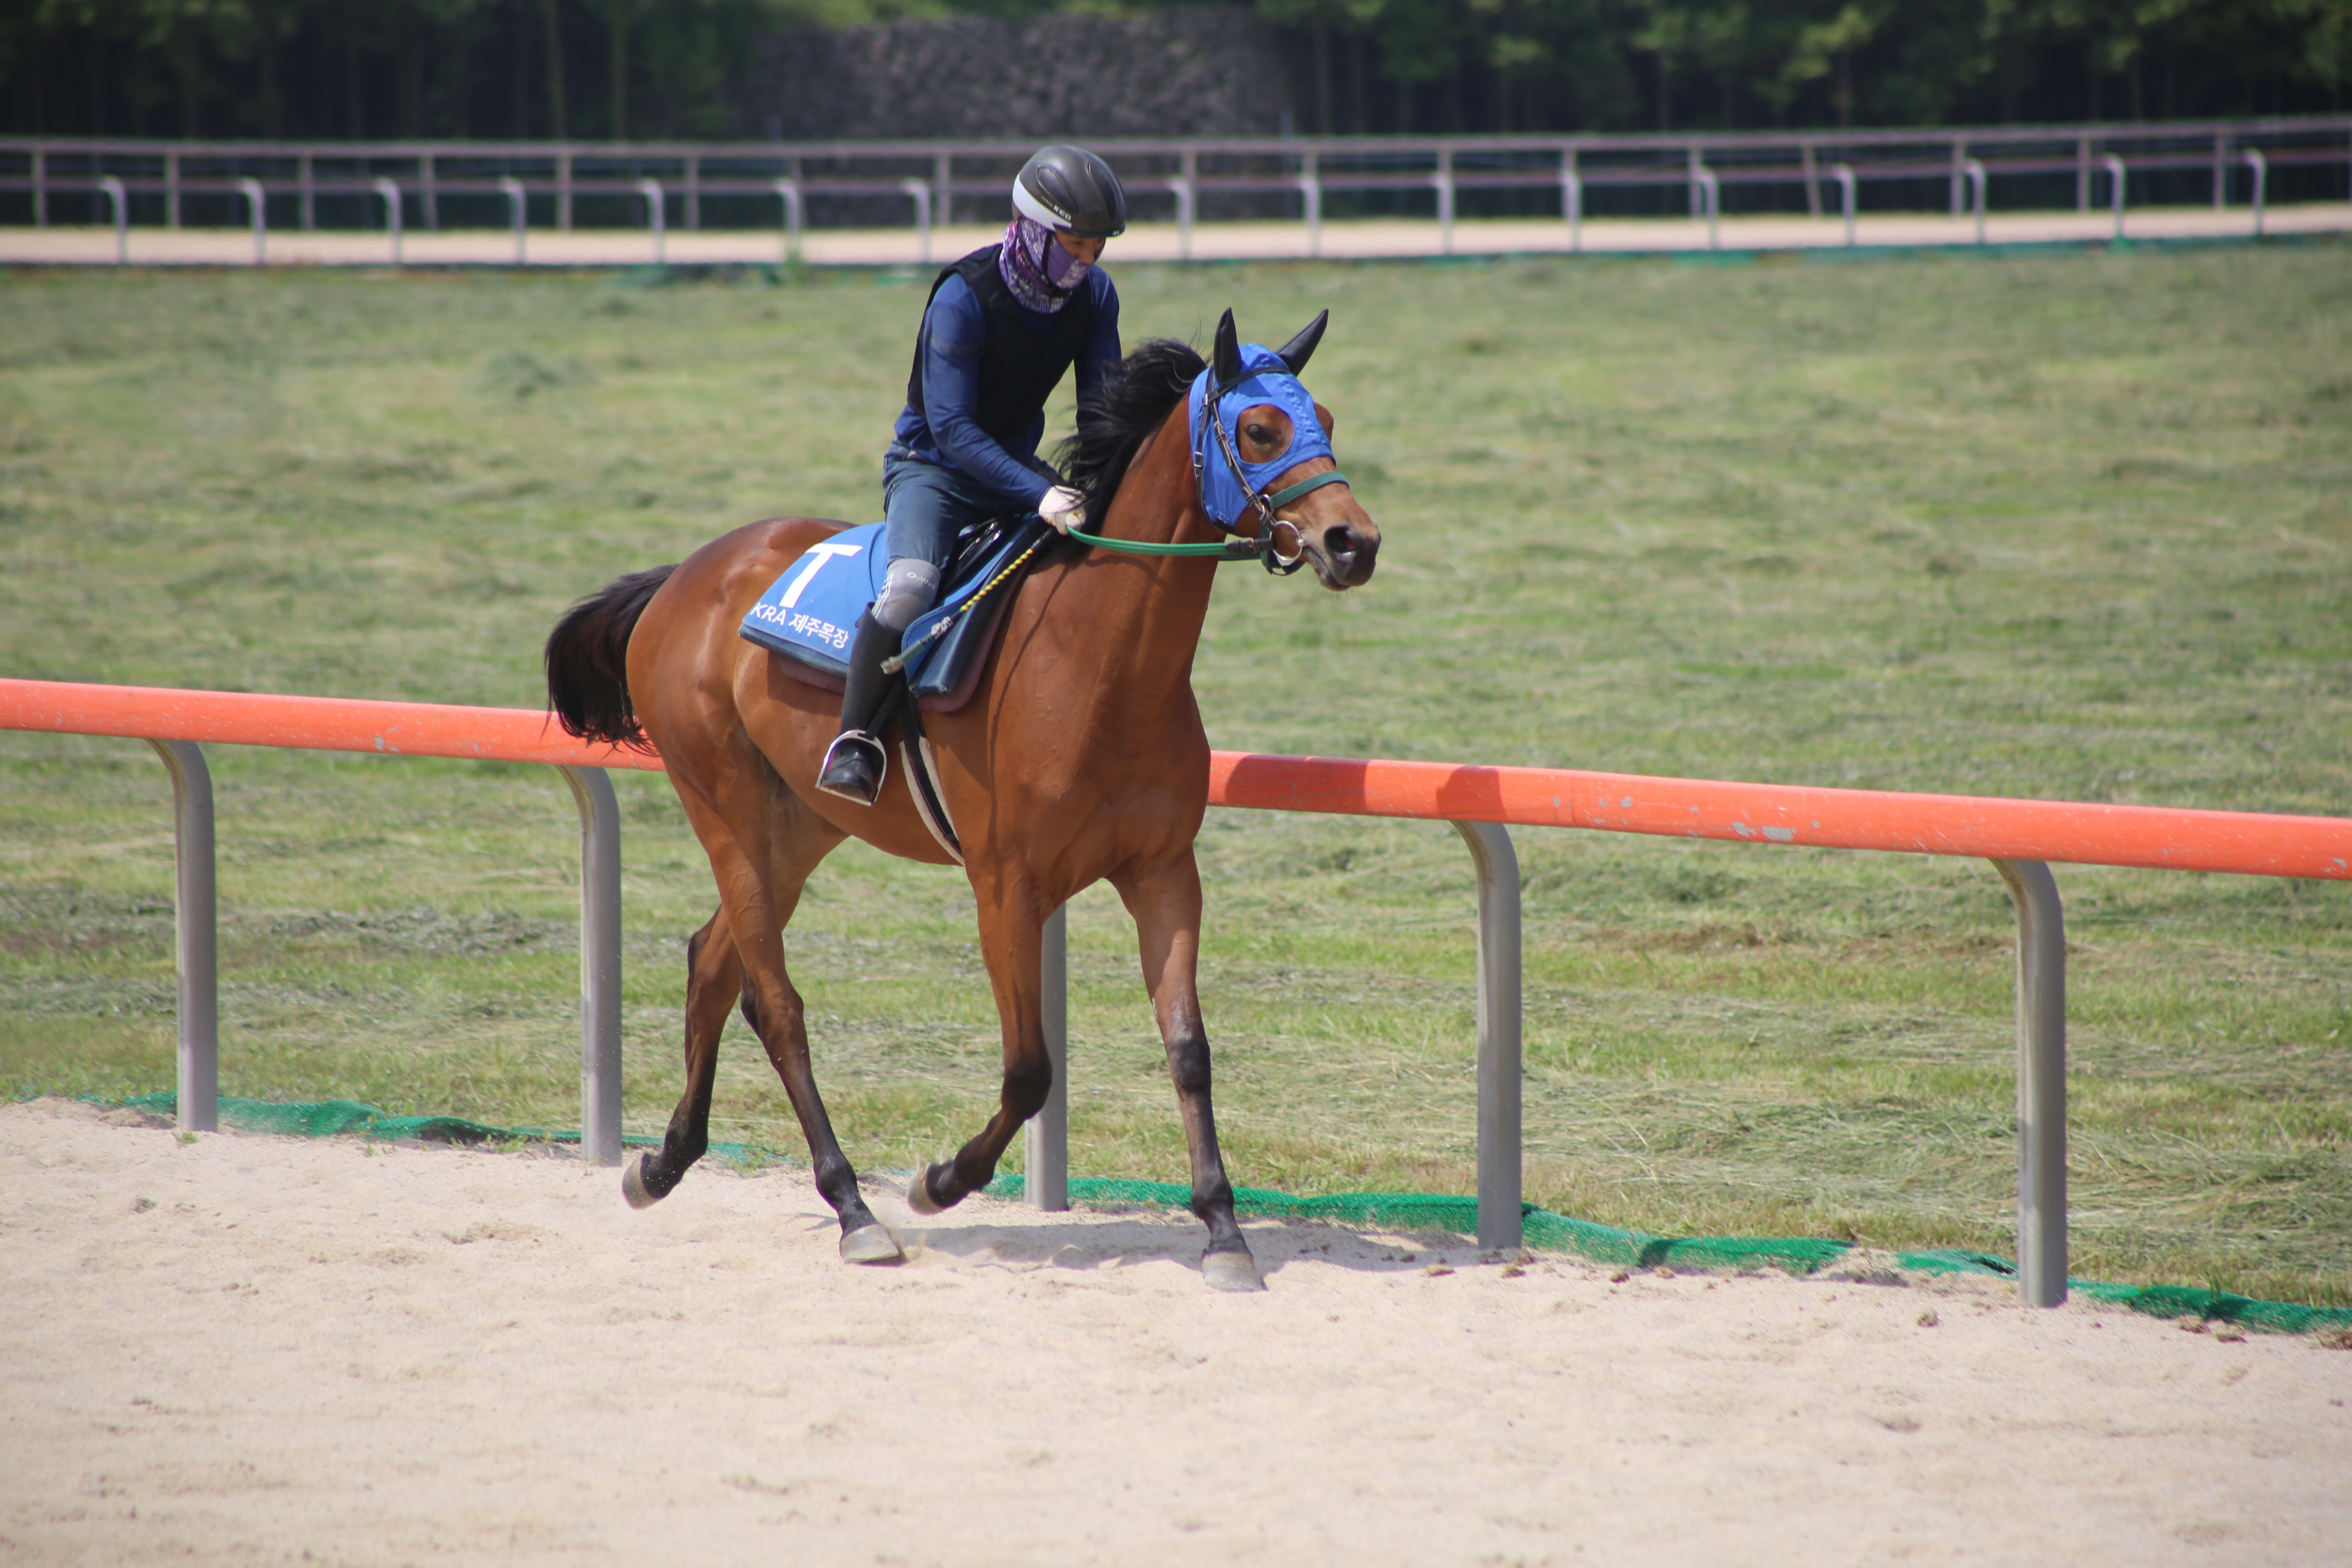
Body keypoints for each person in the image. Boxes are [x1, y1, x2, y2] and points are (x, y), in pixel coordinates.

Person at [815, 145, 1128, 806]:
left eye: (1097, 247)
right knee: (910, 590)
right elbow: (953, 431)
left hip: (1015, 468)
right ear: (1036, 230)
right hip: (933, 469)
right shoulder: (962, 296)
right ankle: (855, 743)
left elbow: (1103, 410)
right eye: (1076, 244)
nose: (1088, 261)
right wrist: (1041, 491)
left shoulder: (1096, 296)